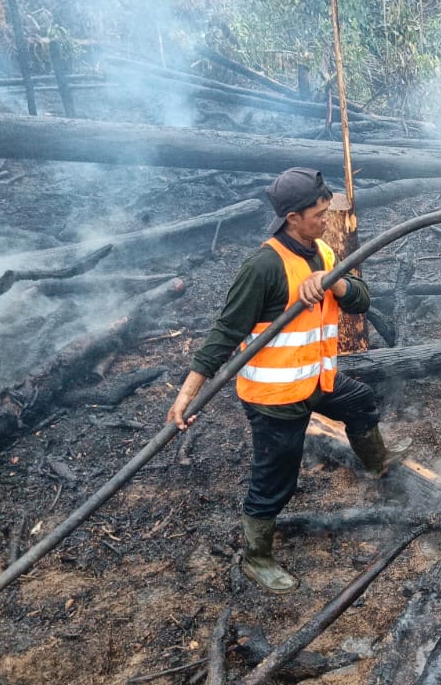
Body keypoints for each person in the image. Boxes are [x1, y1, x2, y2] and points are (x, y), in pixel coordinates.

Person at [167, 167, 409, 594]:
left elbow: (362, 298)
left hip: (316, 379)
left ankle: (377, 462)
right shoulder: (262, 267)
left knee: (360, 401)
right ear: (291, 218)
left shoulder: (324, 253)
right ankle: (255, 558)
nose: (326, 219)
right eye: (318, 212)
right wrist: (188, 395)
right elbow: (223, 334)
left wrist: (334, 287)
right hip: (274, 395)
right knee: (276, 477)